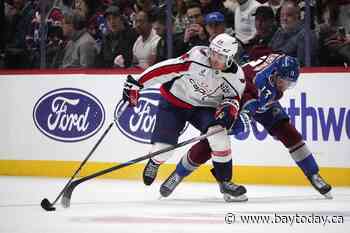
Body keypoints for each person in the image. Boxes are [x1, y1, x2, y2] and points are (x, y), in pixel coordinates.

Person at [160, 53, 333, 200]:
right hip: (236, 97)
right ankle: (180, 174)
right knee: (215, 139)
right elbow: (248, 95)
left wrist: (248, 115)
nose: (285, 86)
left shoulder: (280, 65)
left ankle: (313, 174)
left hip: (262, 101)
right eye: (283, 81)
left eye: (289, 82)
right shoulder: (259, 81)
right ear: (274, 74)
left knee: (288, 132)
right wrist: (243, 116)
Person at [122, 33, 248, 202]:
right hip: (175, 101)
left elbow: (232, 100)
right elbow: (165, 69)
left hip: (203, 108)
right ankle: (154, 162)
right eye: (213, 52)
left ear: (230, 58)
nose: (214, 58)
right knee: (164, 149)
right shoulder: (196, 58)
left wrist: (227, 113)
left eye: (220, 56)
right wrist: (138, 83)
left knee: (218, 134)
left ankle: (225, 182)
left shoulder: (237, 78)